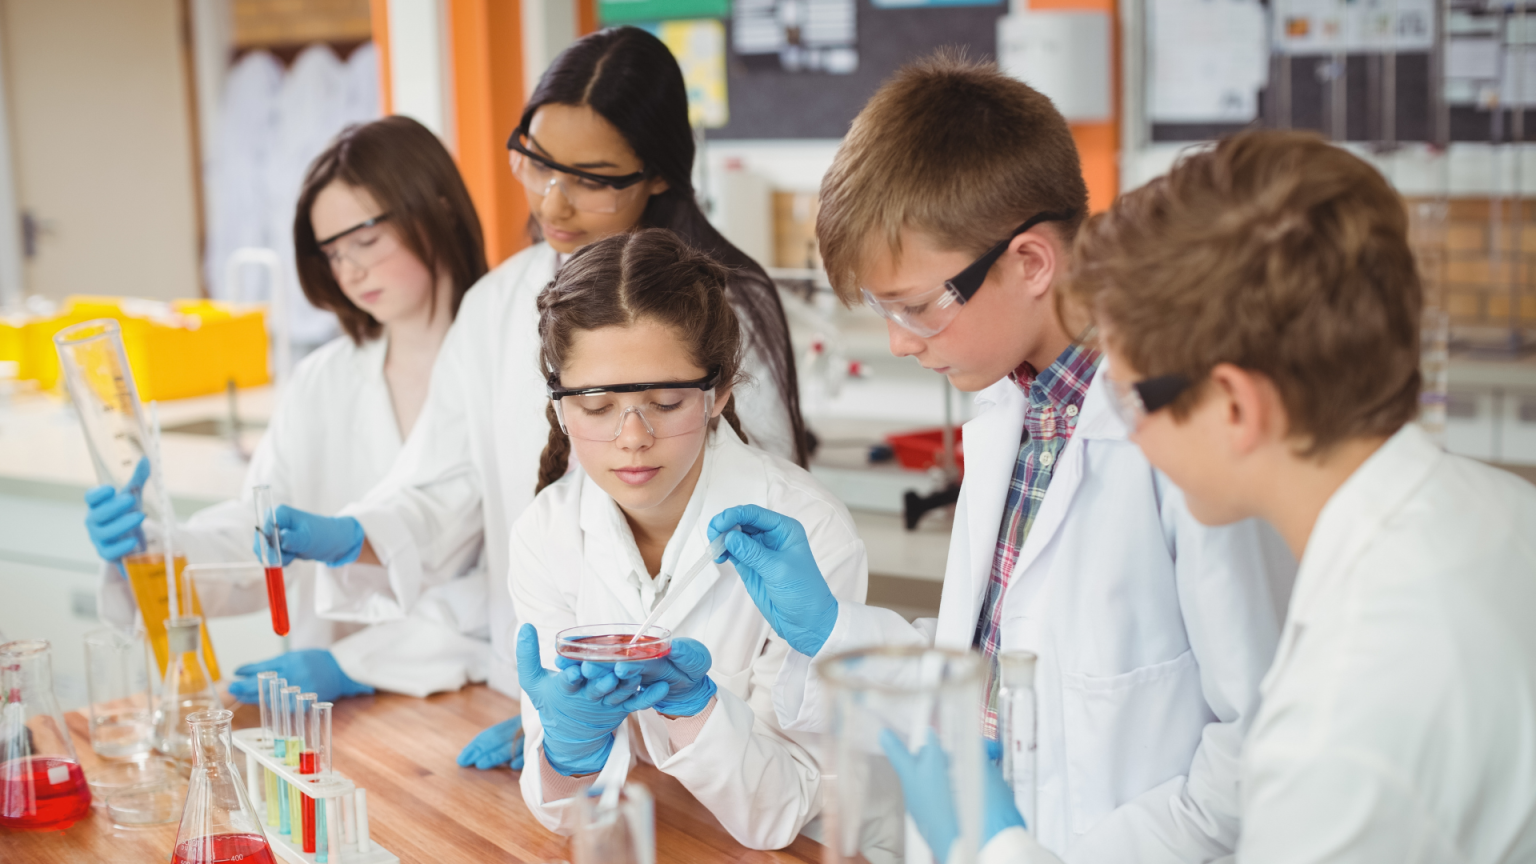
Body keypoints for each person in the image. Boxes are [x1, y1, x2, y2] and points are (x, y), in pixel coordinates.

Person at [708, 51, 1296, 861]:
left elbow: (1259, 745)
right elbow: (992, 676)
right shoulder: (1009, 409)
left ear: (1029, 263)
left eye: (917, 307)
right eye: (882, 309)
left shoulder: (1184, 436)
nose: (898, 342)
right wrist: (835, 631)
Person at [893, 129, 1536, 863]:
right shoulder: (1504, 511)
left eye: (1134, 399)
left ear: (1234, 405)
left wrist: (996, 849)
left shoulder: (1339, 716)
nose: (1129, 432)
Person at [260, 27, 807, 773]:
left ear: (658, 176)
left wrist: (609, 707)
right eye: (538, 163)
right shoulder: (496, 304)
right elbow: (450, 483)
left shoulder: (724, 306)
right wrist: (355, 533)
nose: (555, 201)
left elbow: (744, 539)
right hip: (534, 695)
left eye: (592, 178)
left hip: (701, 717)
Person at [83, 116, 495, 704]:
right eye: (333, 253)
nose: (350, 270)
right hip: (329, 712)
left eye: (365, 240)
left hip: (476, 696)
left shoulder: (510, 368)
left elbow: (516, 575)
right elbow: (257, 540)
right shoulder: (323, 381)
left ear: (438, 210)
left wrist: (358, 663)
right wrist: (152, 549)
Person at [509, 228, 864, 849]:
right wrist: (566, 753)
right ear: (560, 406)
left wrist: (695, 708)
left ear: (718, 393)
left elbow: (786, 811)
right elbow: (564, 817)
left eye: (667, 402)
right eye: (596, 406)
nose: (633, 437)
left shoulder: (808, 530)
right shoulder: (547, 531)